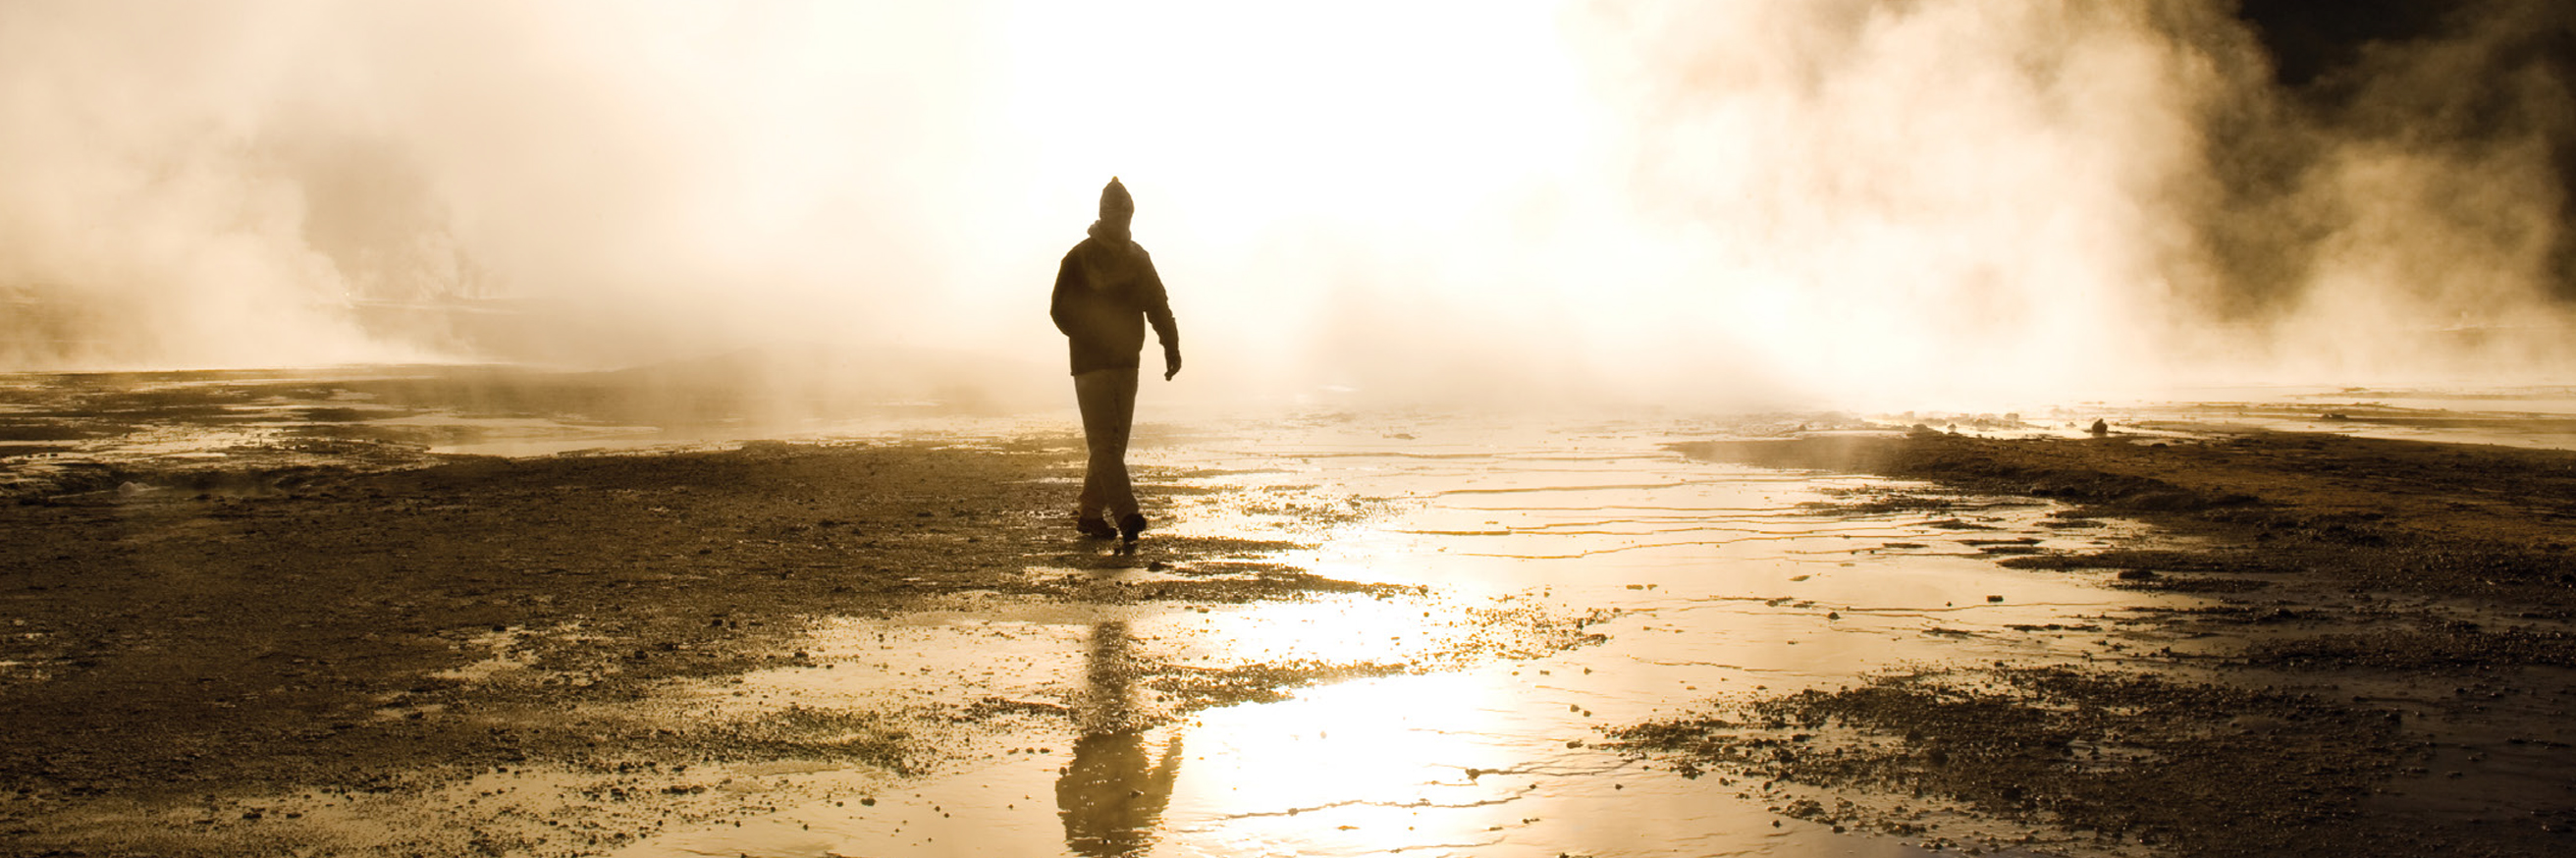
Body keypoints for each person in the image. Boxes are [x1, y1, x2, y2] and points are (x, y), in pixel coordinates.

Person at [1050, 177, 1180, 542]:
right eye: (1114, 214)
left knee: (1113, 445)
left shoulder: (1138, 258)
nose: (1120, 221)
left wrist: (1171, 346)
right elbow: (1059, 310)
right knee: (1105, 445)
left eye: (1125, 215)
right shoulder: (1078, 258)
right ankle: (1127, 515)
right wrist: (1090, 334)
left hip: (1126, 363)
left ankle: (1090, 514)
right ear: (1103, 214)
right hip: (1090, 367)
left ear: (1130, 216)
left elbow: (1158, 304)